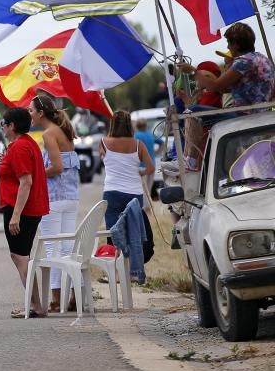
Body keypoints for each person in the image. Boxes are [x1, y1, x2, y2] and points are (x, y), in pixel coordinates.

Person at [176, 23, 274, 169]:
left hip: (244, 116)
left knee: (193, 112)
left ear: (236, 43)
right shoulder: (262, 59)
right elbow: (227, 87)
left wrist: (193, 72)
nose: (228, 48)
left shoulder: (243, 61)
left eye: (229, 43)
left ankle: (190, 160)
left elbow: (216, 86)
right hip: (262, 114)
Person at [28, 95, 79, 313]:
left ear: (40, 113)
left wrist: (36, 174)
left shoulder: (48, 134)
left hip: (55, 198)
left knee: (52, 249)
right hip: (71, 197)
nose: (29, 114)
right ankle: (76, 294)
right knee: (67, 248)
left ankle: (57, 299)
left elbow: (56, 167)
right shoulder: (63, 131)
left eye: (31, 110)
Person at [0, 107, 49, 318]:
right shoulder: (24, 144)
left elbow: (26, 182)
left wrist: (16, 215)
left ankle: (36, 305)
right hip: (25, 207)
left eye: (4, 124)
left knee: (20, 257)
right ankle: (34, 303)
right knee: (21, 256)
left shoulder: (19, 147)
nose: (2, 128)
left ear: (12, 126)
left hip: (20, 209)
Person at [101, 110, 154, 237]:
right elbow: (151, 167)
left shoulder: (103, 143)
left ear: (112, 124)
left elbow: (104, 160)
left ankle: (115, 255)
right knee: (134, 235)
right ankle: (132, 257)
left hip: (112, 191)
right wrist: (142, 172)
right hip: (134, 193)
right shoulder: (138, 145)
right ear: (129, 125)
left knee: (113, 234)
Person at [133, 117, 162, 198]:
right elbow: (162, 143)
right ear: (145, 125)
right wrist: (156, 152)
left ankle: (143, 208)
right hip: (152, 164)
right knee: (148, 190)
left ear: (137, 126)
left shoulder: (136, 136)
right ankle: (147, 207)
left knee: (141, 190)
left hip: (141, 166)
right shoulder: (151, 134)